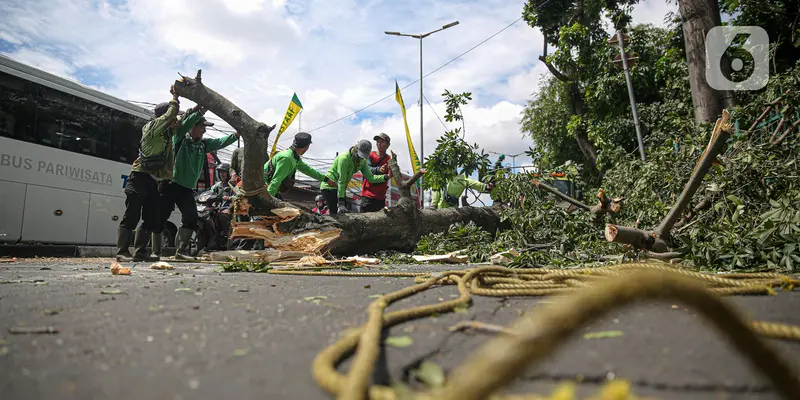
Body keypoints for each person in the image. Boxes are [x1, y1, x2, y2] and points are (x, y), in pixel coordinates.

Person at [117, 85, 198, 262]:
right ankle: (122, 252)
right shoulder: (152, 127)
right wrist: (175, 97)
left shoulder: (168, 132)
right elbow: (171, 115)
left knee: (152, 217)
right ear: (163, 117)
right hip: (138, 177)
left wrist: (197, 109)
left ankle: (140, 252)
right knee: (132, 215)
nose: (175, 120)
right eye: (172, 118)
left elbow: (183, 120)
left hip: (153, 181)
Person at [159, 110, 241, 260]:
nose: (204, 130)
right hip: (171, 184)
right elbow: (185, 124)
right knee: (159, 218)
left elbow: (220, 142)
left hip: (187, 189)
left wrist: (235, 135)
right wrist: (200, 110)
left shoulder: (204, 144)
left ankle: (181, 251)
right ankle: (154, 252)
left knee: (191, 218)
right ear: (193, 127)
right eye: (202, 126)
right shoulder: (180, 138)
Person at [320, 140, 388, 214]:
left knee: (342, 214)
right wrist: (341, 203)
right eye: (360, 155)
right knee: (336, 213)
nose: (361, 158)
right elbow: (341, 181)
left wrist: (386, 177)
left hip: (340, 189)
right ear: (356, 149)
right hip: (329, 186)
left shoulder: (362, 161)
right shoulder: (344, 158)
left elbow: (370, 178)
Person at [263, 132, 334, 199]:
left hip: (269, 188)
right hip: (262, 187)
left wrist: (326, 180)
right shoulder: (287, 158)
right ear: (307, 147)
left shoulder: (295, 158)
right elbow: (276, 180)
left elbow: (309, 170)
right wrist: (268, 200)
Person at [360, 132, 392, 212]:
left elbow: (393, 174)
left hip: (380, 197)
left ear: (388, 145)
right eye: (377, 142)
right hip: (367, 196)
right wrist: (379, 169)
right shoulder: (369, 155)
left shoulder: (390, 159)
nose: (379, 144)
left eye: (382, 142)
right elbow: (367, 169)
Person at [430, 170, 495, 210]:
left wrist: (485, 186)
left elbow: (473, 183)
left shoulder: (461, 178)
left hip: (451, 208)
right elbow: (435, 192)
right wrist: (433, 205)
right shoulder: (440, 178)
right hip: (442, 208)